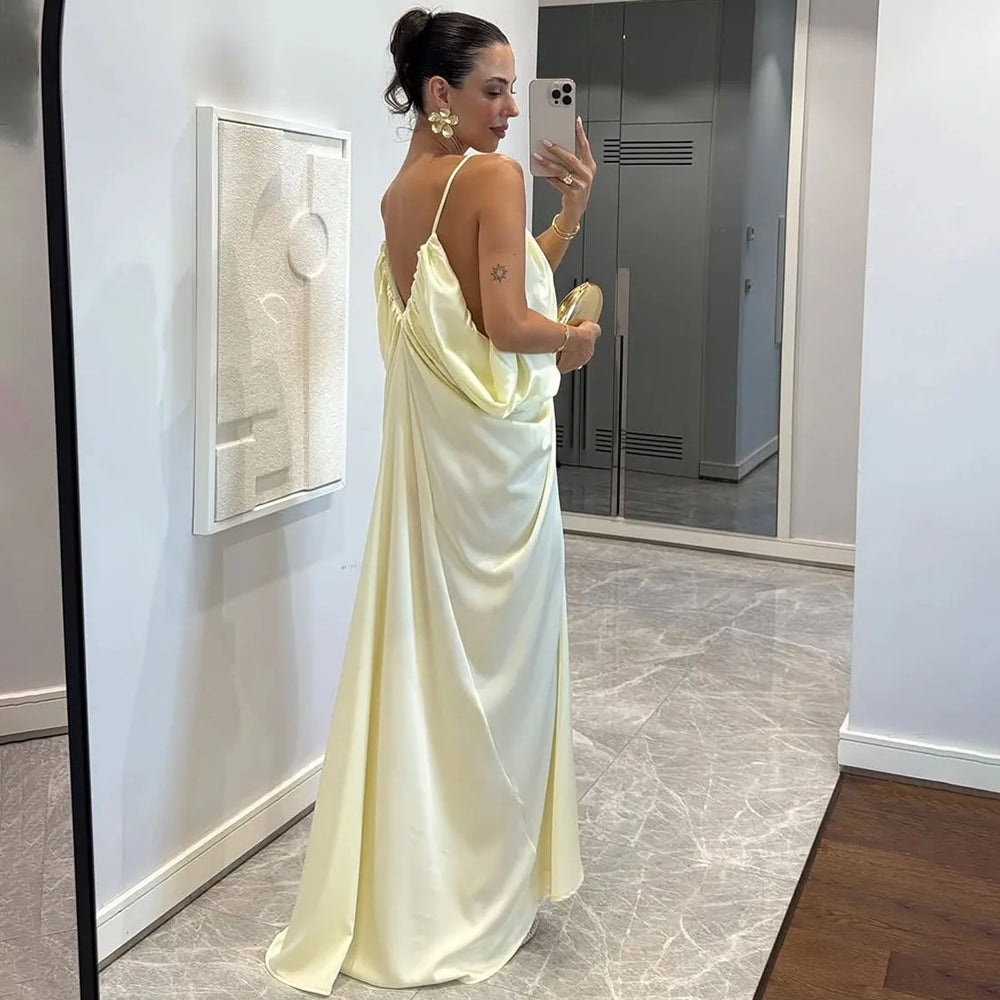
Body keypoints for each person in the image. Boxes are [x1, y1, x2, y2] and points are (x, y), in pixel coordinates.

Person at [264, 8, 600, 994]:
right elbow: (508, 320)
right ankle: (481, 877)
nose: (511, 111)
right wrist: (573, 340)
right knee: (504, 668)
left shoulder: (397, 196)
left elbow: (486, 291)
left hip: (438, 472)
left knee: (434, 663)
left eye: (514, 91)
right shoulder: (489, 176)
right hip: (495, 478)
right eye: (494, 91)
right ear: (441, 93)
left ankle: (429, 875)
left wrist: (568, 219)